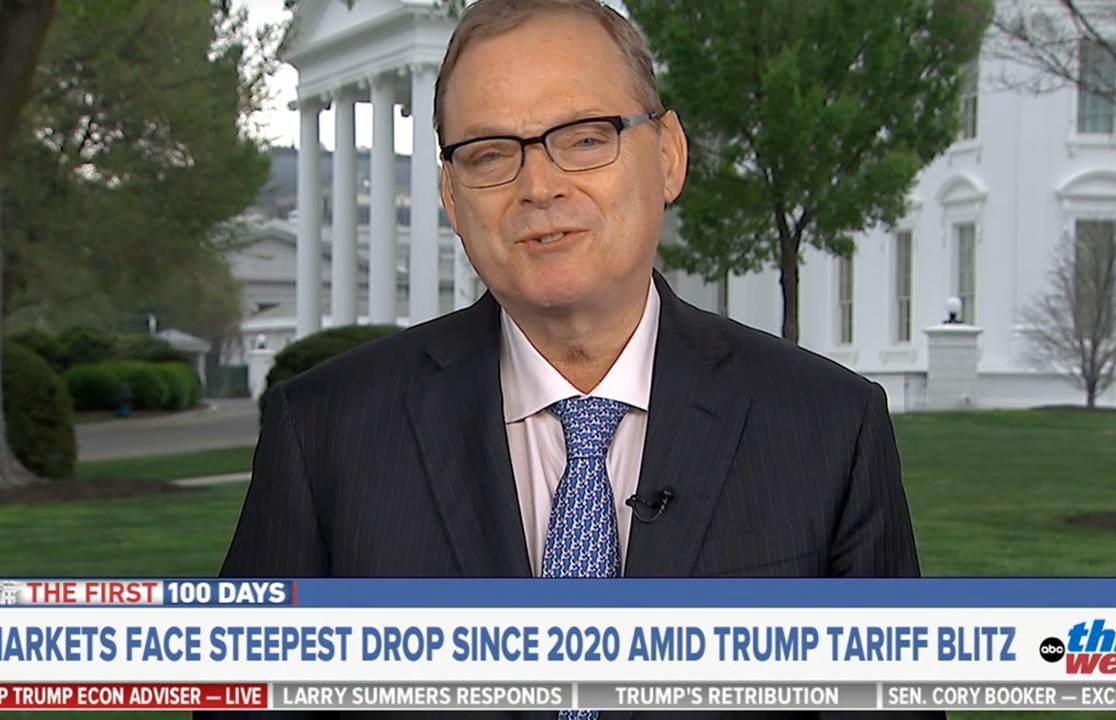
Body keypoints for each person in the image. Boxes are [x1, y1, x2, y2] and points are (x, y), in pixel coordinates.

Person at [214, 1, 937, 718]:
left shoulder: (829, 426)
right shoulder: (325, 431)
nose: (539, 187)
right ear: (452, 198)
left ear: (669, 156)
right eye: (490, 154)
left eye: (587, 139)